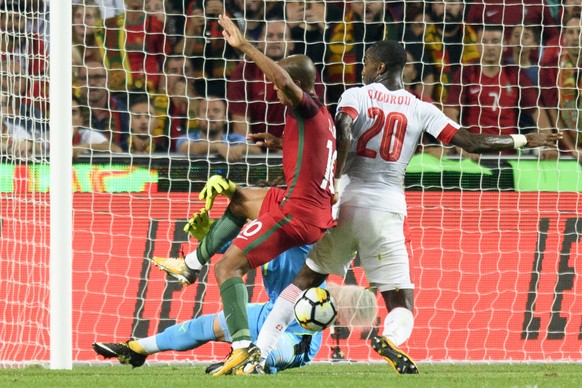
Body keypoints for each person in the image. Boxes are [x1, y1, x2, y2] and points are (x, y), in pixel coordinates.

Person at [249, 40, 563, 377]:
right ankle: (390, 338)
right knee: (401, 302)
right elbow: (473, 142)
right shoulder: (421, 108)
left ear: (381, 67)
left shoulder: (356, 95)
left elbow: (340, 132)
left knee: (304, 280)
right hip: (387, 208)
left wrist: (335, 182)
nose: (363, 69)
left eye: (368, 63)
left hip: (349, 200)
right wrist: (525, 140)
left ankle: (258, 354)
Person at [150, 14, 341, 376]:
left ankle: (241, 347)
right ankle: (190, 265)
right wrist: (276, 141)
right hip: (302, 204)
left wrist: (244, 46)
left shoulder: (306, 106)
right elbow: (315, 157)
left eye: (280, 84)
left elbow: (281, 77)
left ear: (297, 85)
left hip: (297, 213)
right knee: (238, 199)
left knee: (228, 268)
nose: (273, 88)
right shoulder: (320, 120)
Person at [92, 217, 377, 373]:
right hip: (269, 312)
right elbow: (229, 245)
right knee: (203, 326)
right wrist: (209, 235)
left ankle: (248, 364)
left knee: (270, 356)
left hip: (299, 333)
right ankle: (136, 349)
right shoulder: (264, 235)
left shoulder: (306, 234)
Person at [444, 25, 552, 160]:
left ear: (504, 45)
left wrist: (547, 146)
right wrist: (461, 146)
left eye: (495, 41)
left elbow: (538, 112)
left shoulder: (515, 74)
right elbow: (450, 112)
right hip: (474, 155)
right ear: (477, 46)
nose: (490, 47)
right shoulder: (466, 73)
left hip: (508, 156)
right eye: (484, 41)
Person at [176, 95, 262, 161]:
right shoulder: (187, 138)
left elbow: (256, 150)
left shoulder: (234, 139)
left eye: (216, 110)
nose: (211, 115)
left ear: (225, 118)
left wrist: (241, 148)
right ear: (197, 119)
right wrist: (219, 147)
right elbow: (188, 148)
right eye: (205, 111)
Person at [72, 95, 122, 160]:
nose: (68, 117)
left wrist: (86, 147)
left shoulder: (87, 136)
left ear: (81, 120)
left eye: (73, 113)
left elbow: (116, 150)